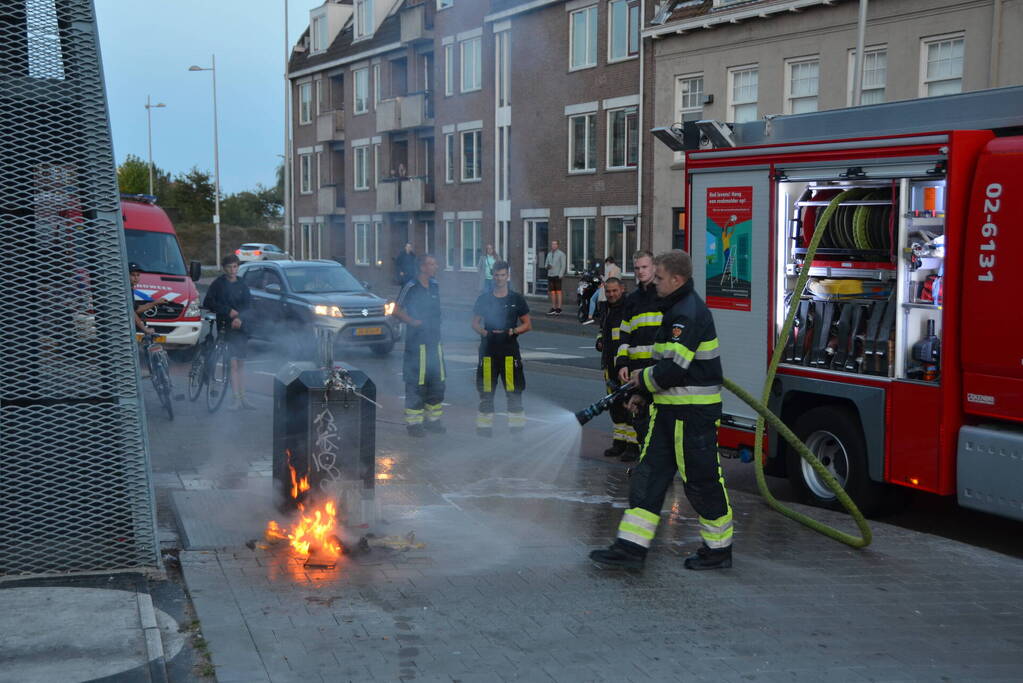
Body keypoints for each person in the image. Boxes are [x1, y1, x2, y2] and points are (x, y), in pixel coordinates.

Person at [591, 249, 732, 572]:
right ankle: (630, 548)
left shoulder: (688, 313)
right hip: (668, 411)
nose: (653, 282)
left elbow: (673, 370)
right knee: (647, 477)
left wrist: (642, 379)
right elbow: (662, 364)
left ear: (677, 279)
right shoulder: (672, 308)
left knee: (702, 481)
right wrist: (643, 394)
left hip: (693, 415)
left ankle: (718, 549)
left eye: (659, 277)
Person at [471, 261, 531, 436]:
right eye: (496, 275)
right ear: (493, 276)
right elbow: (474, 323)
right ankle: (484, 431)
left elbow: (527, 324)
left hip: (509, 354)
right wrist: (484, 332)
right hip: (488, 353)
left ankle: (517, 432)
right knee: (486, 393)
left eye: (503, 275)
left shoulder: (516, 299)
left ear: (508, 276)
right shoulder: (484, 298)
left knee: (514, 393)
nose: (499, 278)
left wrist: (513, 331)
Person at [393, 254, 446, 438]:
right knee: (416, 383)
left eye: (435, 263)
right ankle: (414, 424)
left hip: (434, 342)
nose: (435, 267)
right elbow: (396, 310)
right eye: (432, 264)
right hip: (417, 344)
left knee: (437, 381)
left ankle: (433, 420)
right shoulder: (411, 286)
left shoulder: (435, 286)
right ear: (422, 267)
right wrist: (413, 322)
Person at [613, 250, 658, 462]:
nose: (641, 271)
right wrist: (622, 363)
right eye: (637, 268)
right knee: (640, 423)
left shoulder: (663, 295)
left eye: (645, 267)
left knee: (657, 427)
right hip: (636, 373)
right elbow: (624, 335)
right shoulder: (632, 300)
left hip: (658, 373)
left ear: (654, 267)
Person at [203, 253, 254, 411]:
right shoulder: (218, 284)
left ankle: (244, 397)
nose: (232, 270)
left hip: (241, 327)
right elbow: (208, 302)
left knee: (241, 363)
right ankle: (235, 399)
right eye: (229, 267)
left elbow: (249, 305)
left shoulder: (242, 284)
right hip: (226, 326)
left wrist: (240, 318)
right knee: (232, 363)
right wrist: (227, 311)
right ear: (224, 268)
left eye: (235, 266)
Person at [594, 277, 637, 459]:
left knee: (630, 404)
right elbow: (602, 329)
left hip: (624, 365)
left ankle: (633, 446)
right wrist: (599, 340)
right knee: (614, 404)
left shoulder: (629, 307)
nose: (611, 294)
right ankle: (619, 442)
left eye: (615, 291)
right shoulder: (605, 307)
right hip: (609, 365)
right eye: (608, 291)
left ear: (622, 289)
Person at [129, 262, 166, 335]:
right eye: (133, 275)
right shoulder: (126, 290)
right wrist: (145, 329)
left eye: (138, 275)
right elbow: (131, 312)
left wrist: (155, 303)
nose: (136, 278)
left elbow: (137, 309)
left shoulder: (130, 289)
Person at [585, 255, 622, 324]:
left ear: (608, 262)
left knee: (593, 299)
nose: (606, 265)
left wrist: (602, 279)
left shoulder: (611, 268)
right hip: (615, 290)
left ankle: (590, 317)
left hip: (606, 289)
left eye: (606, 264)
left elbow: (609, 279)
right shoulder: (618, 269)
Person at [544, 240, 566, 316]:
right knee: (552, 292)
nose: (553, 245)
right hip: (550, 275)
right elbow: (545, 264)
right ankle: (553, 307)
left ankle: (559, 308)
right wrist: (547, 267)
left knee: (558, 292)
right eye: (552, 244)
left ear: (557, 245)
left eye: (555, 244)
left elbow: (563, 265)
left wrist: (560, 274)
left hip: (557, 275)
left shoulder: (561, 254)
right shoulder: (549, 254)